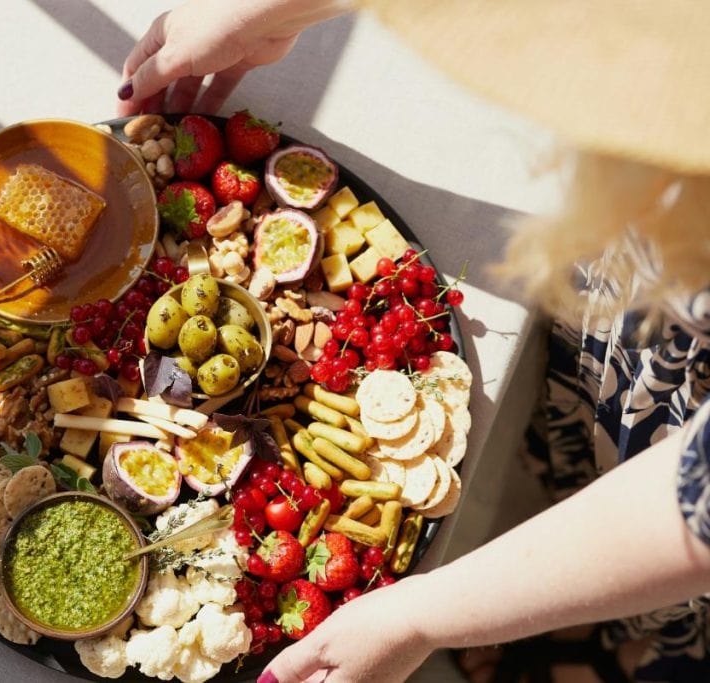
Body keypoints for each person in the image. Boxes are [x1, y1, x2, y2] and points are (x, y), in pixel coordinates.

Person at [118, 1, 710, 682]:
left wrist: (419, 616)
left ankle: (647, 640)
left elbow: (691, 509)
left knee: (665, 595)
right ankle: (592, 596)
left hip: (683, 433)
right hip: (641, 319)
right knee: (589, 443)